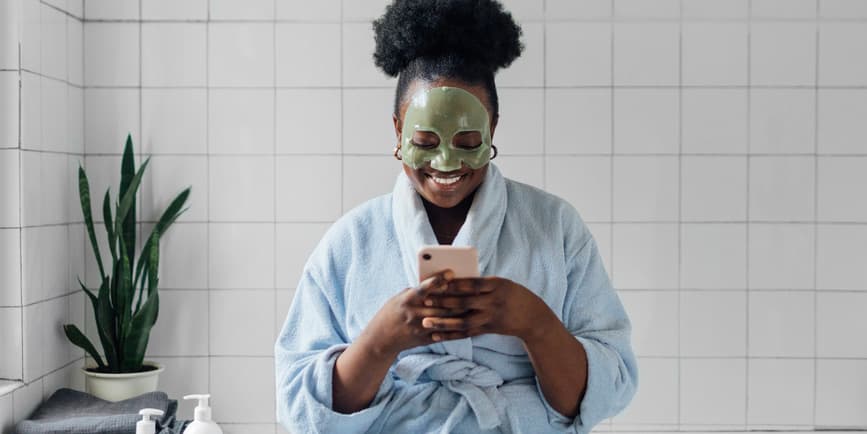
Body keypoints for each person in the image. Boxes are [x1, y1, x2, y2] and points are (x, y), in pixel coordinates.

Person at [274, 0, 638, 432]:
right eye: (426, 141)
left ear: (493, 128)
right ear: (397, 130)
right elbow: (302, 410)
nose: (446, 162)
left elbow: (602, 394)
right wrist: (381, 341)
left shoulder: (555, 229)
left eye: (467, 142)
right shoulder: (350, 243)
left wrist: (534, 323)